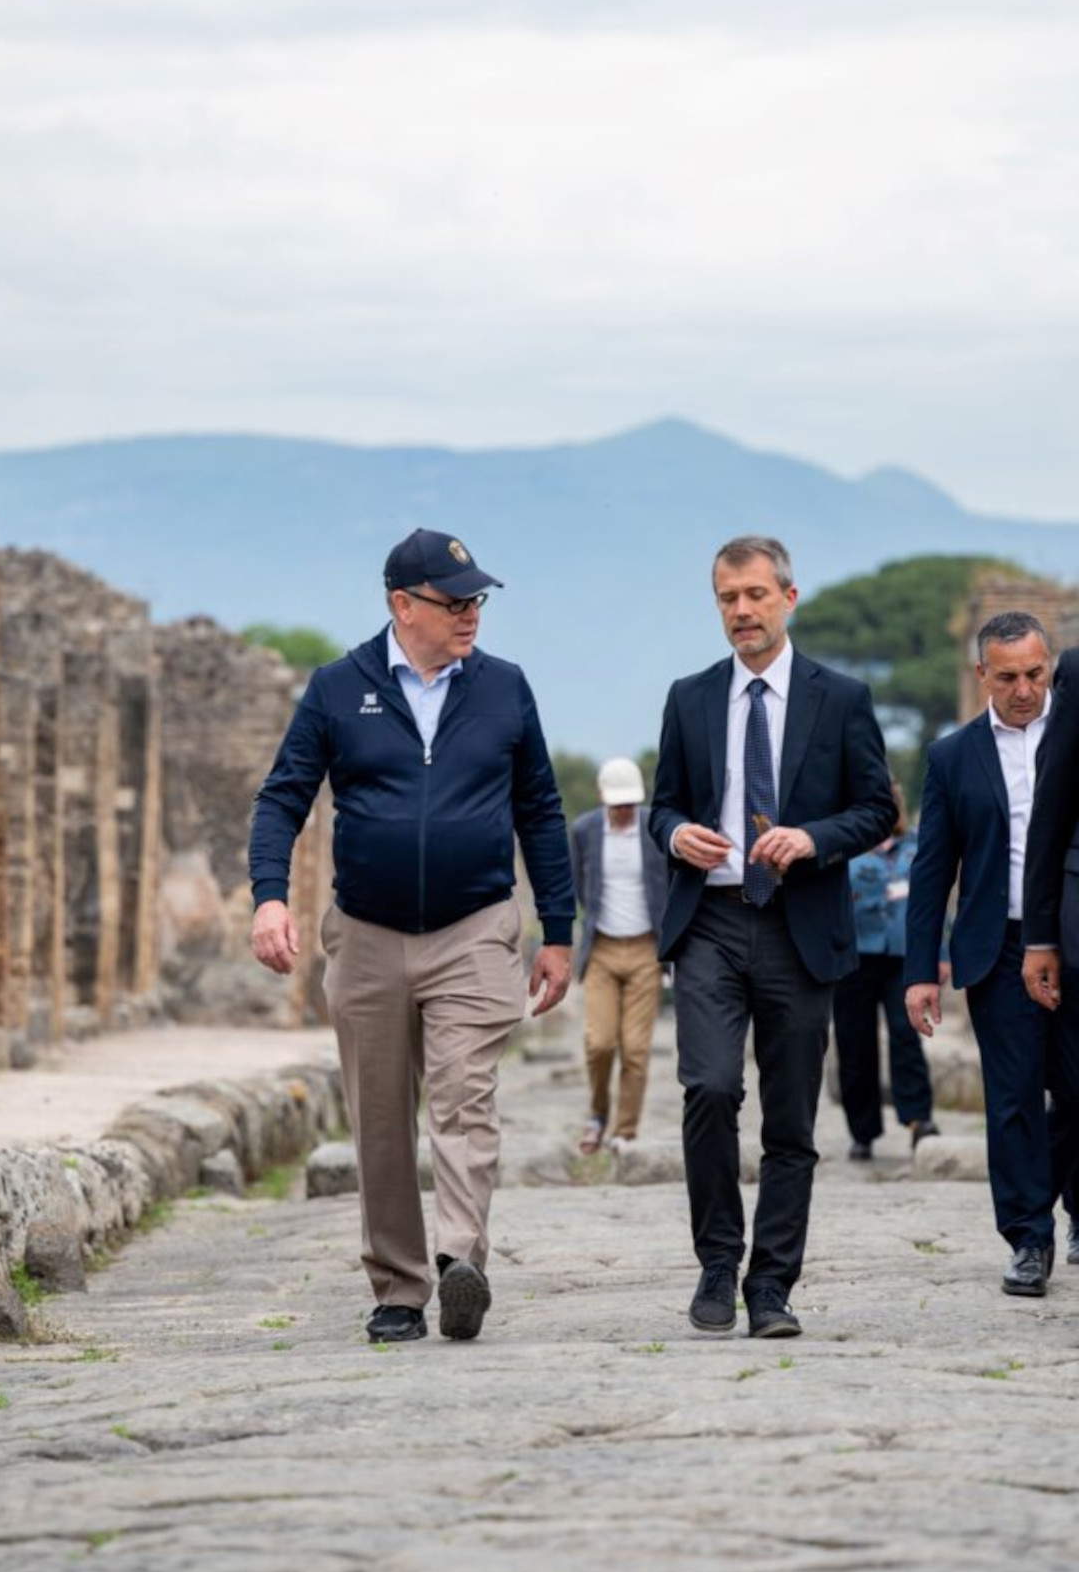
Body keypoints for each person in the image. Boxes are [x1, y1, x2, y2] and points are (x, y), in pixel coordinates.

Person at [249, 528, 574, 1345]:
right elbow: (282, 797)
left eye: (477, 601)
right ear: (402, 604)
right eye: (453, 601)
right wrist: (268, 898)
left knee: (465, 1096)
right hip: (364, 932)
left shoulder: (505, 688)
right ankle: (399, 1287)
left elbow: (539, 808)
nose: (471, 615)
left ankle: (460, 1258)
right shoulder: (337, 688)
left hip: (474, 927)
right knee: (381, 1116)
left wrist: (560, 930)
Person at [649, 536, 895, 1340]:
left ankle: (772, 1284)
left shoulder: (842, 697)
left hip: (801, 925)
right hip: (713, 921)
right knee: (710, 1088)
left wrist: (812, 838)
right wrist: (678, 832)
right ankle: (718, 1261)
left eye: (755, 594)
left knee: (790, 1121)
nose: (742, 611)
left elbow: (877, 808)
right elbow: (663, 806)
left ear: (789, 597)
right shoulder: (688, 697)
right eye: (728, 598)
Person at [905, 610, 1060, 1297]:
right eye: (1008, 677)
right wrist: (920, 970)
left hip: (1075, 934)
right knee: (1013, 1095)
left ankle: (1069, 1201)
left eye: (1035, 673)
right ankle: (1028, 1237)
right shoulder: (951, 757)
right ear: (981, 676)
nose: (1024, 688)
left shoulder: (1076, 734)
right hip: (996, 945)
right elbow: (933, 870)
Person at [833, 779, 939, 1160]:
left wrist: (939, 954)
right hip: (853, 957)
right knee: (855, 1044)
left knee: (906, 1035)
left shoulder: (917, 846)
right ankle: (862, 1132)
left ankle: (919, 1119)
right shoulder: (844, 847)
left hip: (903, 956)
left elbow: (936, 901)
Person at [570, 756, 668, 1154]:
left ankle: (624, 1132)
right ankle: (597, 1114)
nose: (625, 811)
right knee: (599, 1042)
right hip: (603, 948)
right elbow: (580, 885)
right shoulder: (584, 830)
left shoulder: (655, 828)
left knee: (636, 1048)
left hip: (647, 947)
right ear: (602, 798)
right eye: (617, 804)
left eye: (630, 803)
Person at [1022, 640, 1079, 1265]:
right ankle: (1047, 1213)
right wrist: (1040, 935)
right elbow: (1050, 815)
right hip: (1076, 923)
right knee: (1074, 1092)